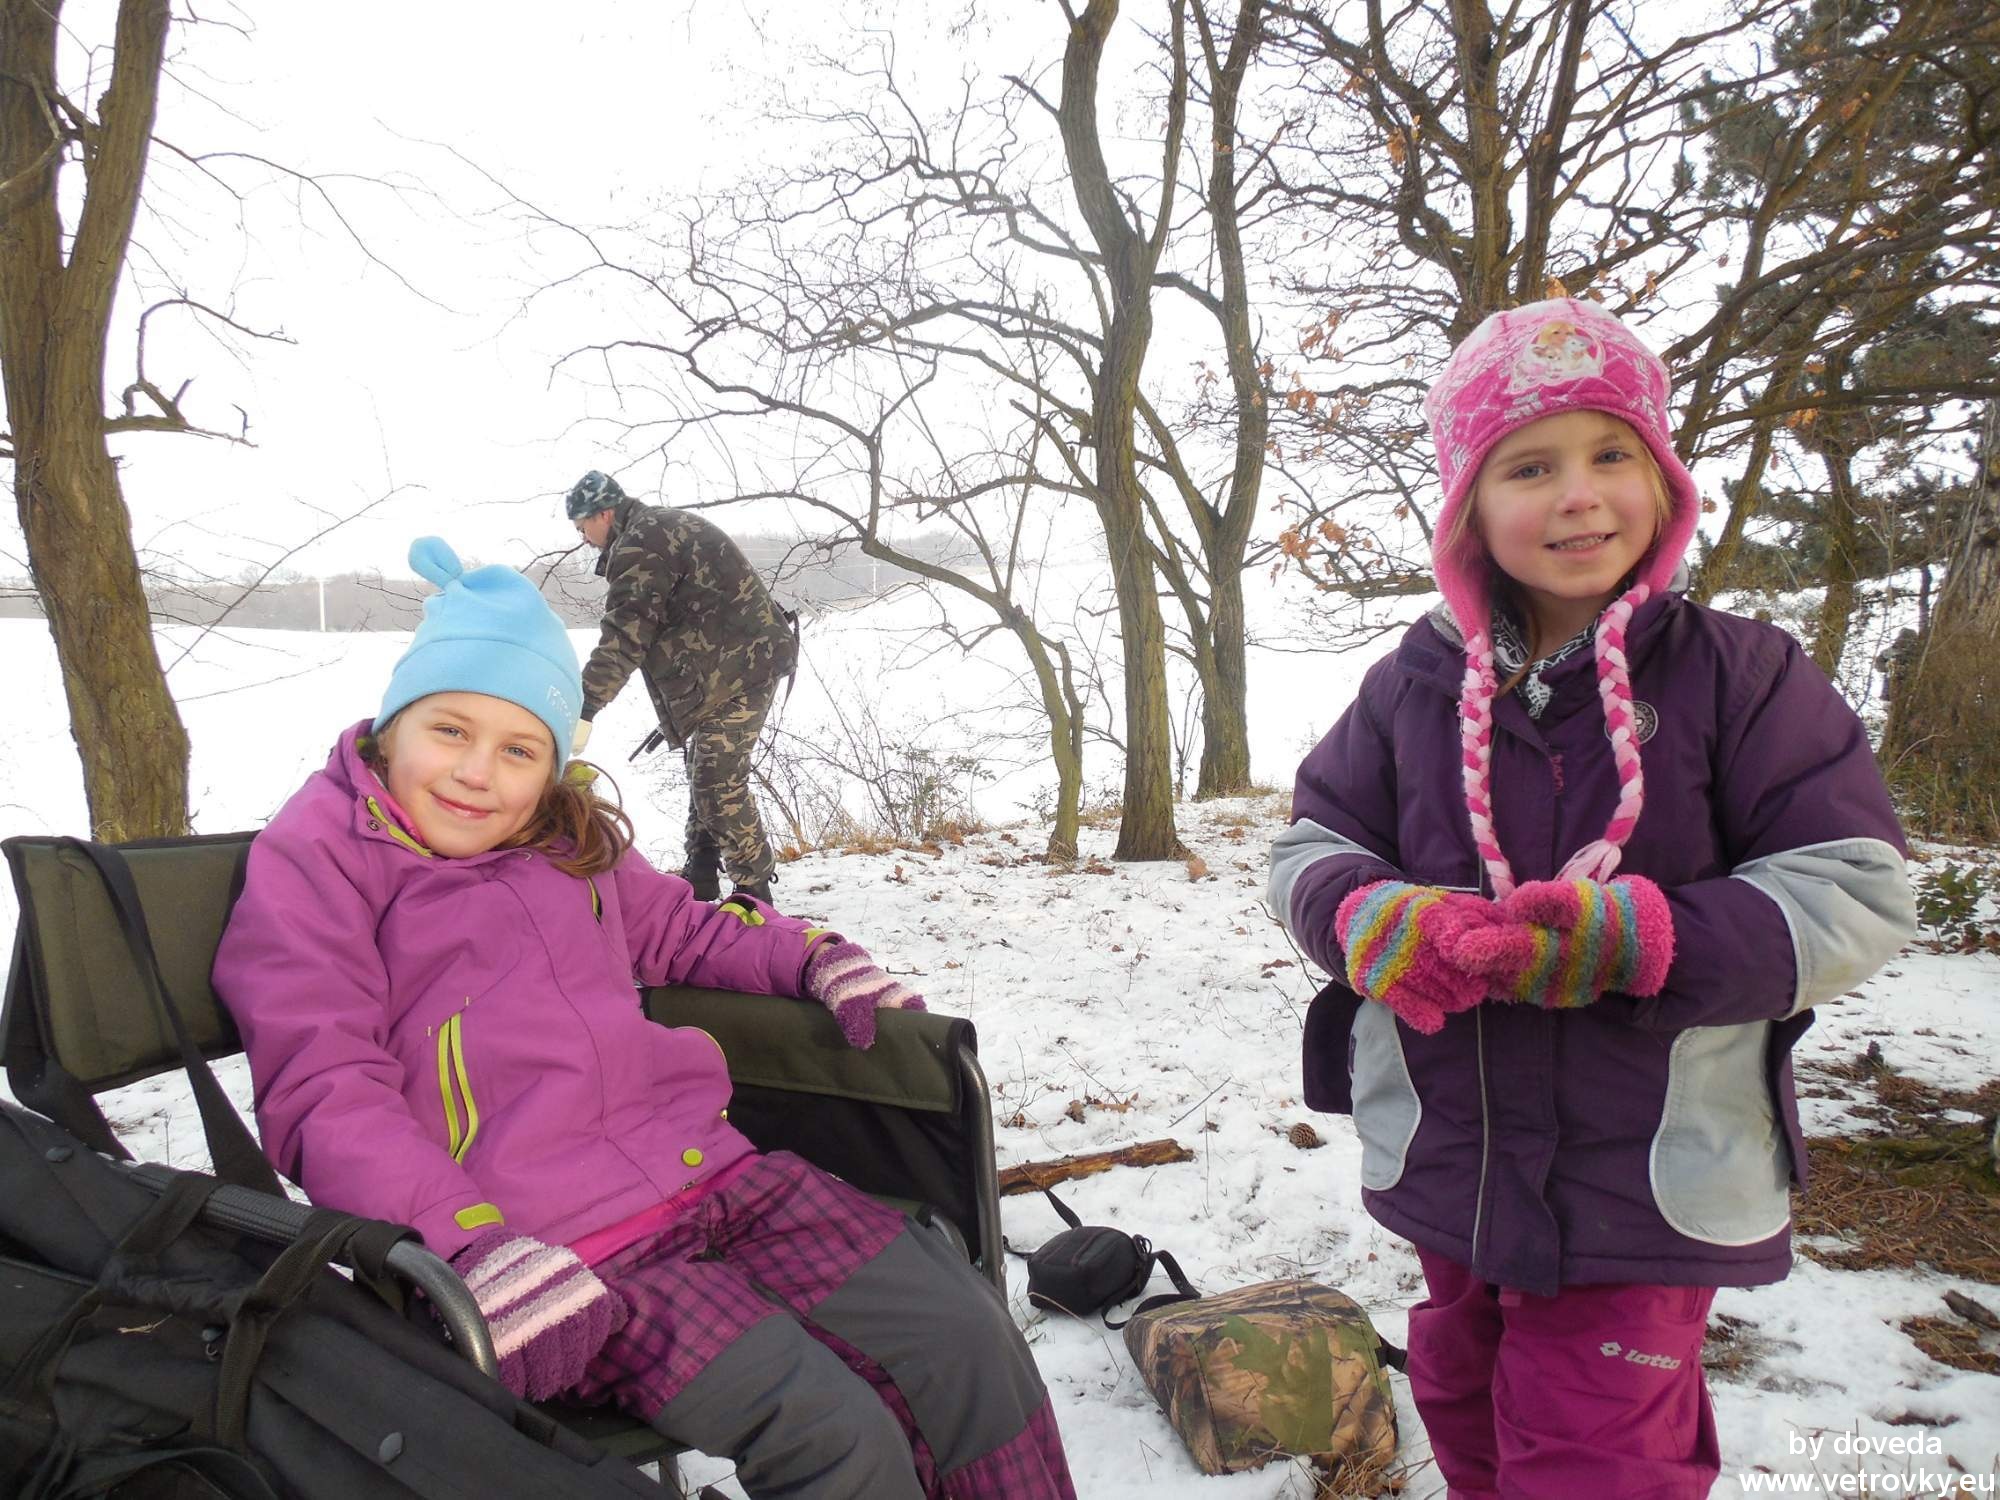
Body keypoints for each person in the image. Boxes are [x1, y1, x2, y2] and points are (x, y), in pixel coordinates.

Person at [214, 538, 1074, 1500]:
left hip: (715, 1176)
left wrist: (804, 955)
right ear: (392, 726)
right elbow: (323, 1085)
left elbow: (679, 929)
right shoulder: (321, 858)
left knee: (966, 1338)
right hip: (550, 1252)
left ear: (552, 766)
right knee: (835, 1433)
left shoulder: (562, 840)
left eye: (519, 749)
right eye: (450, 730)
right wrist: (462, 1245)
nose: (476, 773)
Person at [1266, 299, 1915, 1499]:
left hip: (1643, 1175)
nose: (1578, 495)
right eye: (1528, 467)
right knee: (1463, 1404)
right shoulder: (1409, 686)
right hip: (1452, 1158)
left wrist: (1640, 939)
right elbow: (1313, 845)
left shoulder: (1742, 675)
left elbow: (1852, 888)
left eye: (1611, 453)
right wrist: (1372, 919)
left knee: (1592, 1457)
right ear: (1466, 510)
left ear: (1661, 480)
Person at [566, 469, 796, 906]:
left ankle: (754, 893)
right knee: (703, 769)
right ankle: (702, 872)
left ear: (604, 513)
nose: (584, 538)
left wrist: (586, 705)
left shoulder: (640, 543)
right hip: (726, 667)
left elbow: (625, 636)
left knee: (716, 777)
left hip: (743, 666)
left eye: (583, 527)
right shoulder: (652, 529)